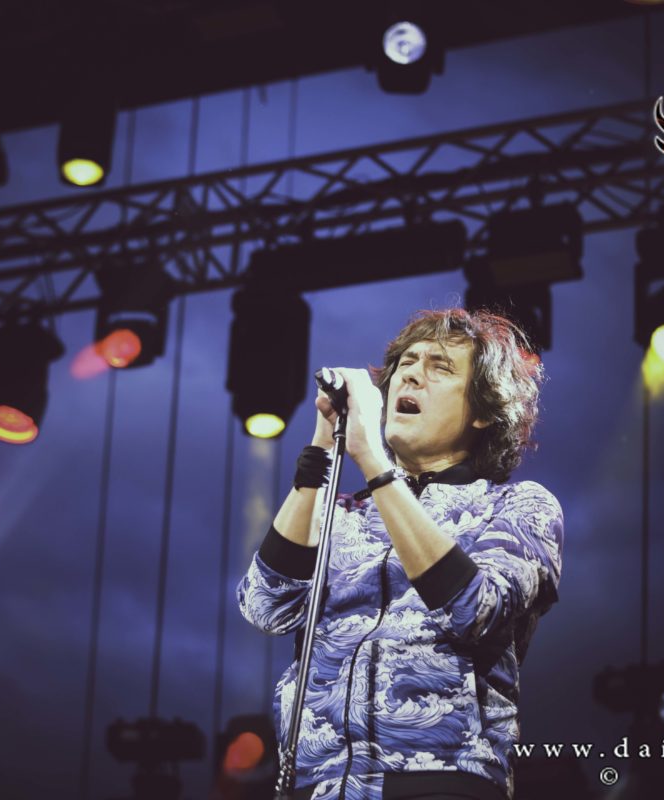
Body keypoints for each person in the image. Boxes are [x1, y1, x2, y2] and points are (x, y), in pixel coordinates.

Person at [237, 307, 565, 800]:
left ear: (482, 409)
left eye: (440, 367)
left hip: (439, 780)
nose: (410, 375)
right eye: (406, 363)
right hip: (318, 785)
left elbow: (476, 609)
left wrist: (372, 460)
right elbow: (266, 606)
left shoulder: (517, 506)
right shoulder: (341, 515)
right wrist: (323, 445)